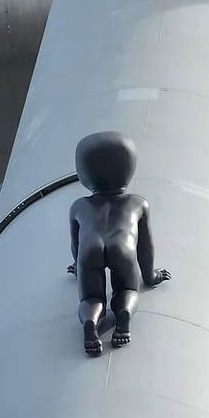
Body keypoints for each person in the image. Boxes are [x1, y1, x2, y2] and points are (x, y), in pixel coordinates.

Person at [67, 131, 170, 355]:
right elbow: (145, 247)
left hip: (89, 249)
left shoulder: (79, 206)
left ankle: (91, 322)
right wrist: (151, 276)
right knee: (126, 289)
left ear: (83, 173)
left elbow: (76, 245)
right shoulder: (137, 203)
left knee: (91, 297)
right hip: (122, 246)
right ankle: (123, 315)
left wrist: (78, 266)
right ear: (130, 169)